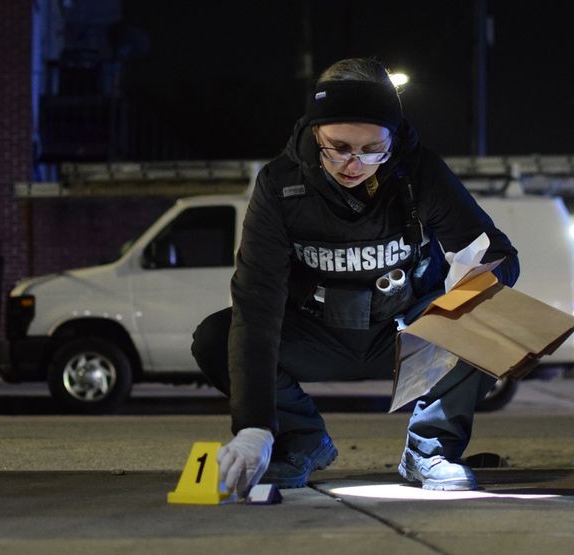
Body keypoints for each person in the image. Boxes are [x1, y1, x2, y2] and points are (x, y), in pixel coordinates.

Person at [191, 57, 519, 497]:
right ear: (314, 131)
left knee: (485, 315)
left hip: (403, 331)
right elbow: (257, 301)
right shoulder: (280, 185)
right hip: (317, 333)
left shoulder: (420, 173)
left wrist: (476, 281)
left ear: (394, 137)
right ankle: (301, 440)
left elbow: (500, 253)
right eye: (338, 147)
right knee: (217, 335)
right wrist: (253, 425)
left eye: (372, 149)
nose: (354, 164)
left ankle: (431, 449)